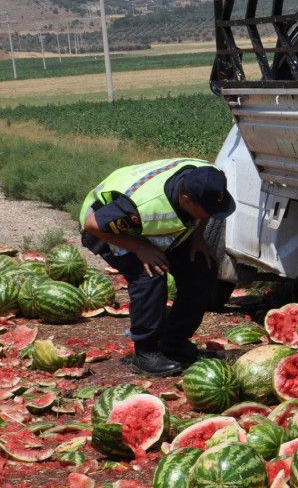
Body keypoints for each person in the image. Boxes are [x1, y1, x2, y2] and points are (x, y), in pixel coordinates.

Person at [79, 158, 234, 376]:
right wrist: (139, 248)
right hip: (110, 232)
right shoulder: (142, 206)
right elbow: (92, 225)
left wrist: (199, 237)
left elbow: (210, 212)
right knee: (150, 275)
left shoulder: (209, 176)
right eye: (205, 210)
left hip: (152, 231)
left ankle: (174, 342)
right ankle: (145, 353)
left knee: (202, 268)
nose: (209, 215)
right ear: (186, 199)